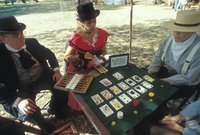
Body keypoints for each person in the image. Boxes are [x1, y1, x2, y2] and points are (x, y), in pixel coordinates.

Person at [0, 16, 69, 134]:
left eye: (21, 33)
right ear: (2, 38)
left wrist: (56, 71)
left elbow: (49, 54)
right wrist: (18, 102)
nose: (21, 37)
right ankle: (45, 126)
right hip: (21, 86)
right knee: (28, 110)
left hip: (42, 76)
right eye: (15, 35)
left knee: (63, 86)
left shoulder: (31, 42)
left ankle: (55, 108)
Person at [148, 10, 200, 104]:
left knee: (156, 94)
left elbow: (190, 79)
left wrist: (164, 81)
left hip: (182, 82)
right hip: (164, 72)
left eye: (182, 30)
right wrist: (151, 72)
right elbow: (158, 58)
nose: (176, 33)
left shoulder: (198, 50)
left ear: (192, 31)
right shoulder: (169, 40)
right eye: (175, 28)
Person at [64, 2, 109, 111]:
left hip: (96, 66)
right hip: (80, 68)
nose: (93, 25)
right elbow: (66, 57)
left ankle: (96, 106)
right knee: (82, 93)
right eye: (89, 22)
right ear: (82, 23)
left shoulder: (102, 34)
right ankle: (83, 110)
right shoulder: (76, 37)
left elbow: (104, 51)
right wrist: (81, 55)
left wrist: (102, 57)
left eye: (94, 21)